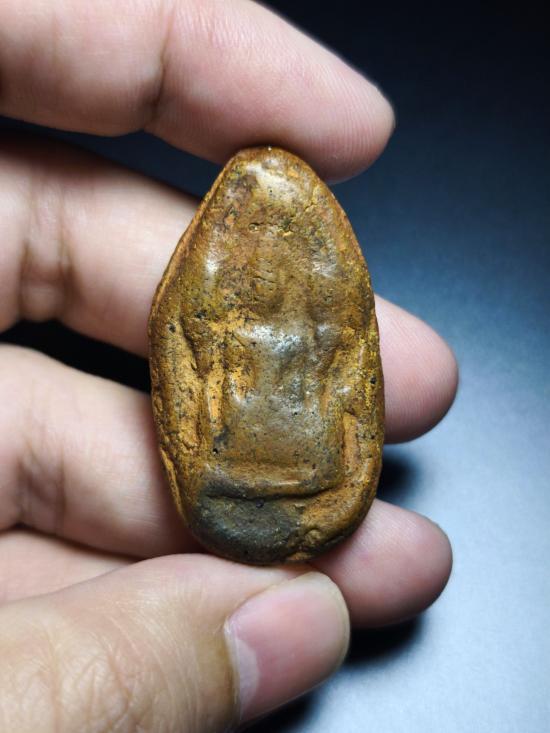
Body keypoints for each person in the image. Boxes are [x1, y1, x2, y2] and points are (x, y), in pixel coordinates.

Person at [0, 1, 458, 730]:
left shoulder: (317, 312)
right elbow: (184, 366)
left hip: (304, 469)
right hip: (228, 472)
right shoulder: (208, 308)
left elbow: (346, 379)